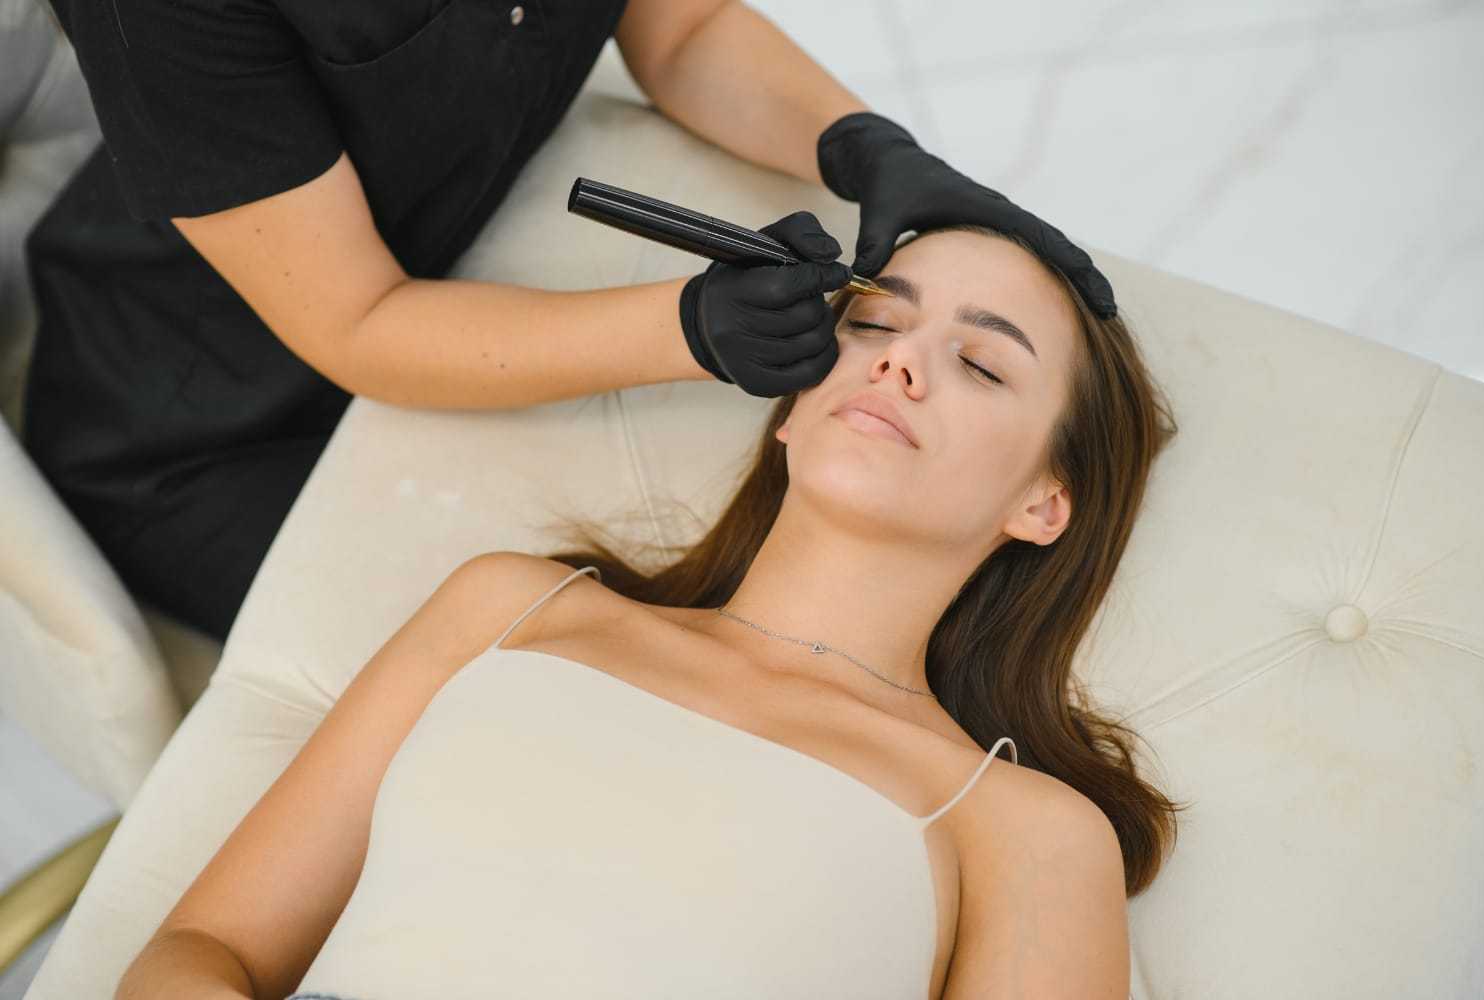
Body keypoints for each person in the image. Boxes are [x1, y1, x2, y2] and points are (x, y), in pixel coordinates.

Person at [116, 226, 1173, 999]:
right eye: (874, 321)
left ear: (1044, 503)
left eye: (980, 362)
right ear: (790, 397)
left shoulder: (1025, 834)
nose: (901, 358)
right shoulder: (517, 608)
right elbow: (202, 954)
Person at [20, 0, 1115, 645]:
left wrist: (859, 144)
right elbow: (359, 319)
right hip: (193, 434)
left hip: (469, 282)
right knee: (575, 671)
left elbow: (682, 26)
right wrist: (686, 328)